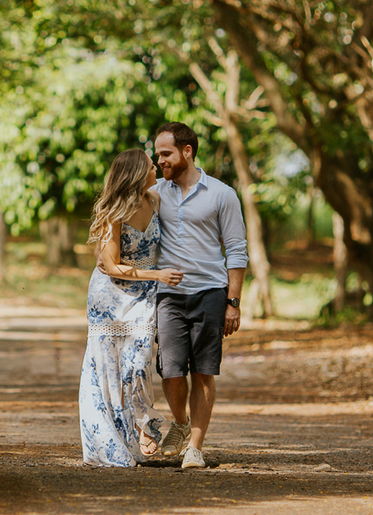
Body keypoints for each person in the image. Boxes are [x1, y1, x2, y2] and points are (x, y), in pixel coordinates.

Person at [152, 122, 248, 470]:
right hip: (169, 294)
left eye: (166, 154)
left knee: (204, 372)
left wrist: (233, 303)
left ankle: (195, 446)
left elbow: (236, 250)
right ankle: (179, 423)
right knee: (171, 370)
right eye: (158, 154)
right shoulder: (155, 192)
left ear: (187, 152)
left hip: (210, 291)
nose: (159, 160)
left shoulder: (222, 194)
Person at [79, 149, 183, 467]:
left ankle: (144, 424)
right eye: (152, 166)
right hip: (110, 297)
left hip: (142, 297)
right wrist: (157, 274)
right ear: (139, 173)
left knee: (137, 363)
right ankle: (117, 439)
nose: (156, 168)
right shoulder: (115, 212)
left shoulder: (156, 200)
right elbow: (110, 266)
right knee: (107, 367)